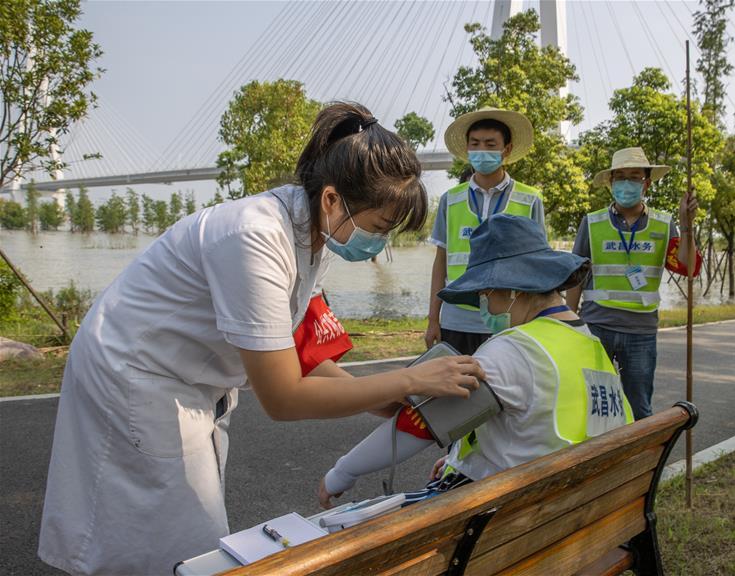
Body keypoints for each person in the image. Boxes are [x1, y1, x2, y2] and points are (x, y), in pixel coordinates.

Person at [38, 102, 485, 576]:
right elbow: (283, 396)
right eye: (378, 228)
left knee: (174, 534)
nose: (379, 243)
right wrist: (404, 378)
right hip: (136, 377)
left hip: (185, 379)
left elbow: (300, 354)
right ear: (332, 199)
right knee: (175, 541)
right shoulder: (254, 235)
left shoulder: (315, 232)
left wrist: (381, 394)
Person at [319, 215, 633, 509]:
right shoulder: (590, 343)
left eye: (484, 292)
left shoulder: (515, 350)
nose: (482, 304)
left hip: (508, 517)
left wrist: (341, 473)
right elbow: (537, 428)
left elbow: (416, 428)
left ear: (511, 288)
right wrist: (464, 458)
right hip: (575, 504)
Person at [566, 147, 700, 420]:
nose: (627, 183)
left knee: (639, 407)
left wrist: (687, 224)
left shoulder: (665, 224)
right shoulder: (591, 222)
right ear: (611, 183)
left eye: (634, 177)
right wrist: (570, 323)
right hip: (596, 325)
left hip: (641, 330)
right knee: (591, 404)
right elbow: (575, 277)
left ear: (646, 183)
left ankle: (640, 460)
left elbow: (687, 266)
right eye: (620, 177)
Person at [425, 107, 546, 355]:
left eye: (491, 144)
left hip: (511, 319)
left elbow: (539, 264)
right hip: (457, 320)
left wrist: (539, 318)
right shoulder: (451, 199)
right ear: (467, 149)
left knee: (503, 392)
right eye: (475, 144)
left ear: (507, 149)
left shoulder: (530, 199)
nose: (482, 151)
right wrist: (433, 319)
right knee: (459, 389)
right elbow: (441, 262)